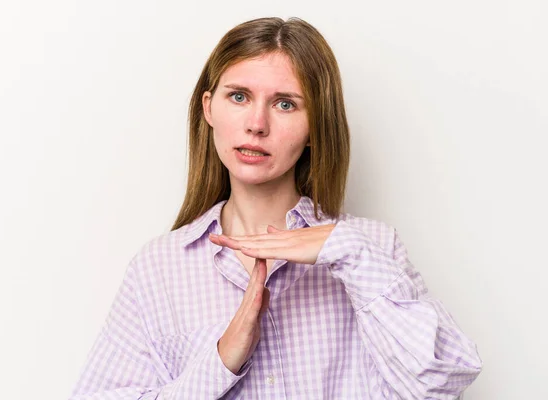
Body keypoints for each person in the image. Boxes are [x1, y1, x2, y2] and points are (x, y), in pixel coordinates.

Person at [69, 17, 482, 399]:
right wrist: (220, 362)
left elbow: (440, 385)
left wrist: (350, 254)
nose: (257, 124)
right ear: (209, 107)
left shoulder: (373, 247)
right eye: (239, 96)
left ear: (316, 127)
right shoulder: (158, 269)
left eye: (285, 103)